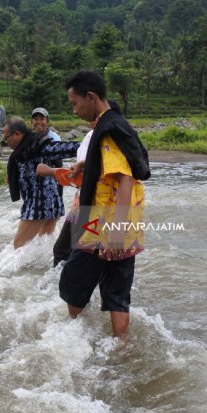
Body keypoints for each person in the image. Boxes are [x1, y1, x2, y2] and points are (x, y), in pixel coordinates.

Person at [59, 70, 150, 338]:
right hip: (126, 224)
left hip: (103, 227)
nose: (74, 110)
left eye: (75, 103)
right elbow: (125, 165)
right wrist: (86, 164)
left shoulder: (107, 130)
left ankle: (74, 339)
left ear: (91, 97)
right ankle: (121, 350)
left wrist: (115, 236)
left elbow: (122, 180)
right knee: (117, 295)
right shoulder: (117, 124)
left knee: (72, 282)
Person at [41, 100, 121, 267]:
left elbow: (98, 172)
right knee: (86, 250)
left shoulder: (105, 138)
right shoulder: (97, 136)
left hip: (92, 203)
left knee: (64, 250)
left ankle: (57, 287)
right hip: (89, 200)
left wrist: (59, 172)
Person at [3, 116, 80, 249]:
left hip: (39, 203)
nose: (5, 141)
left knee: (18, 244)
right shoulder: (24, 149)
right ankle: (49, 268)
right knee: (44, 243)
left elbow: (62, 148)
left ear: (17, 134)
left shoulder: (36, 145)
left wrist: (88, 146)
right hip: (51, 201)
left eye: (6, 137)